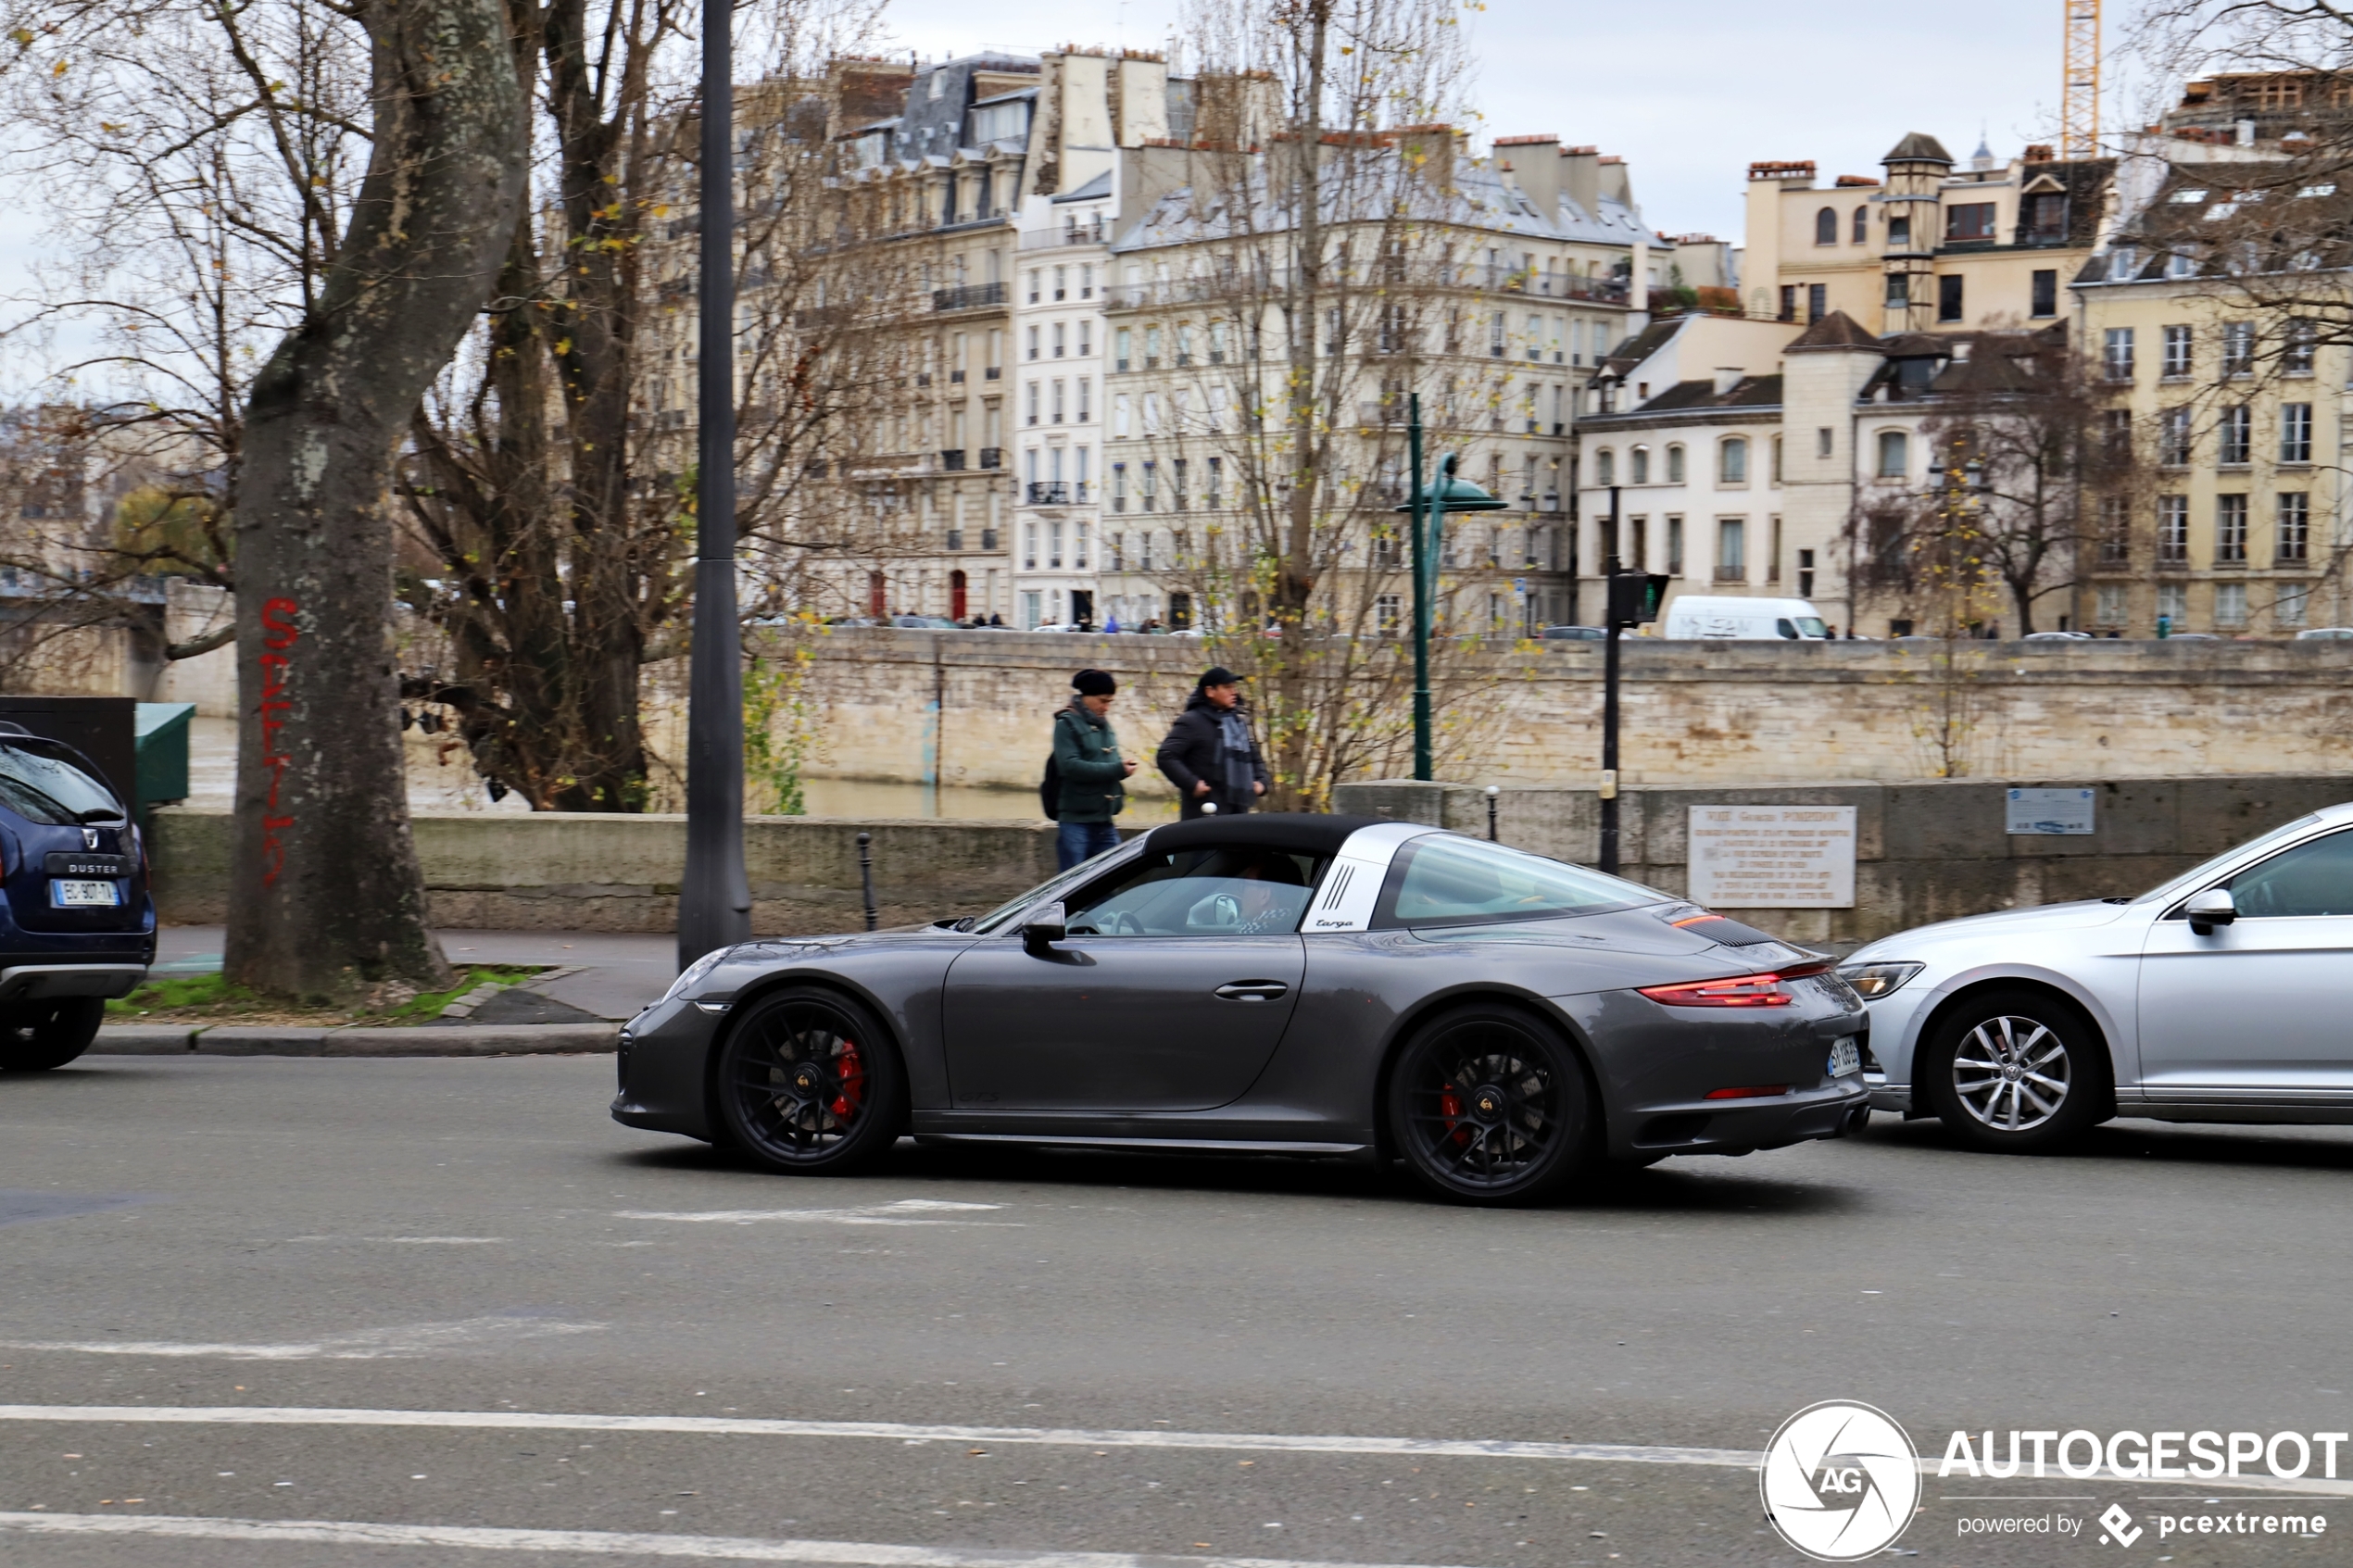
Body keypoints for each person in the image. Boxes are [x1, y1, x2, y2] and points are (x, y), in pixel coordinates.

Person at [1156, 665, 1269, 821]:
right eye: (1227, 687)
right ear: (1210, 691)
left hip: (1238, 814)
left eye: (1234, 687)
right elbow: (1166, 756)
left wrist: (1261, 783)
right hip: (1204, 814)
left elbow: (1255, 759)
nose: (1234, 692)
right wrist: (1192, 784)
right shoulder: (1192, 721)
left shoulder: (1237, 723)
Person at [1052, 669, 1137, 870]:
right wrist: (1117, 768)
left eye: (1109, 702)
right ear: (1086, 697)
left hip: (1104, 819)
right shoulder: (1066, 724)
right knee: (1072, 884)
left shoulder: (1103, 725)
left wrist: (1122, 769)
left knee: (1110, 879)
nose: (1106, 707)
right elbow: (1070, 767)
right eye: (1103, 701)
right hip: (1076, 821)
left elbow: (1107, 763)